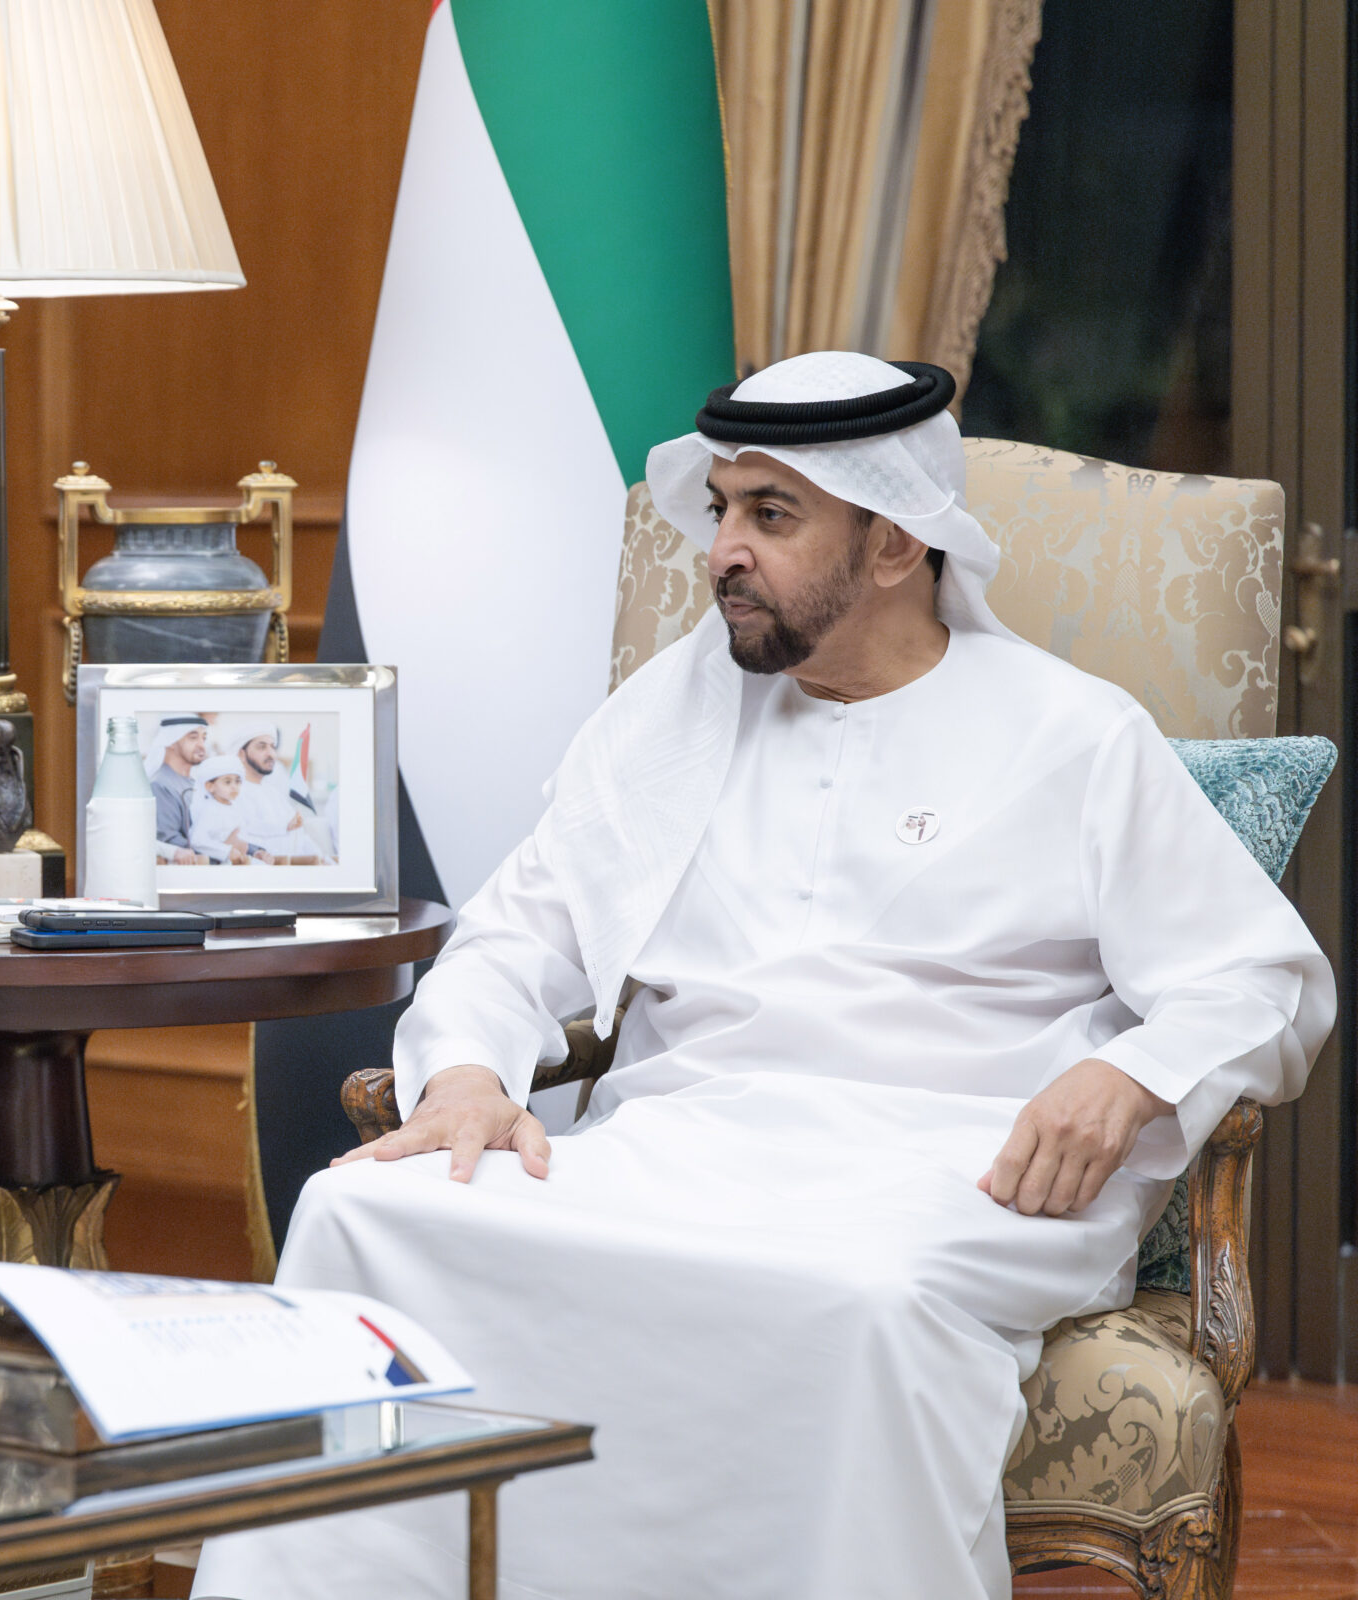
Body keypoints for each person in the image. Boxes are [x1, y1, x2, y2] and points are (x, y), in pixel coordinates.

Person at [193, 352, 1331, 1600]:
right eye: (721, 508)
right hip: (685, 1144)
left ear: (895, 543)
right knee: (363, 1214)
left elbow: (1261, 979)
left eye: (769, 515)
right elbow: (513, 935)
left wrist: (1124, 1075)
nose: (721, 548)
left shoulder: (1072, 733)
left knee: (858, 1302)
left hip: (953, 1170)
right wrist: (464, 1073)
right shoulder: (667, 717)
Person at [228, 722, 332, 864]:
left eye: (273, 747)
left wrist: (324, 860)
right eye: (262, 747)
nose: (270, 753)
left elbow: (300, 837)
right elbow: (246, 841)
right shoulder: (232, 794)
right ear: (241, 753)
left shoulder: (273, 793)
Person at [143, 715, 213, 864]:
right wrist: (220, 853)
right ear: (171, 742)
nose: (202, 745)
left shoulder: (194, 782)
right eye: (193, 738)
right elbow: (169, 839)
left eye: (204, 738)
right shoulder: (159, 785)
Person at [186, 753, 262, 865]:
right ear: (210, 786)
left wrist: (255, 851)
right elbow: (197, 840)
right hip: (221, 865)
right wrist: (226, 851)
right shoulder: (210, 809)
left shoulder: (236, 807)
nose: (234, 786)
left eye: (237, 781)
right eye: (227, 782)